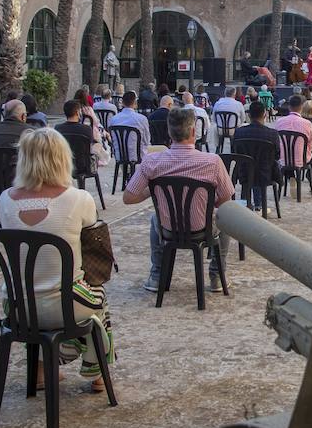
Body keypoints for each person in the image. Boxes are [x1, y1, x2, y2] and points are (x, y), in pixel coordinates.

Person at [0, 128, 110, 390]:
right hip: (66, 305)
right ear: (62, 158)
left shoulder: (4, 200)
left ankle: (40, 369)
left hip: (17, 307)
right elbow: (92, 243)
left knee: (39, 290)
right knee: (98, 299)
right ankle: (97, 372)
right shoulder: (78, 199)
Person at [123, 106, 235, 293]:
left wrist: (154, 190)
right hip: (203, 229)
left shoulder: (152, 161)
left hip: (168, 229)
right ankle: (216, 275)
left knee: (154, 219)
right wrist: (210, 202)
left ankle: (157, 275)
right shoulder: (212, 162)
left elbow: (129, 197)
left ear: (169, 132)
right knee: (225, 220)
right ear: (193, 131)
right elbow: (227, 199)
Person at [232, 101, 282, 210]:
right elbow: (277, 155)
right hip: (265, 173)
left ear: (249, 115)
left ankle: (245, 203)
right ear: (265, 114)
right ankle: (259, 205)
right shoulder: (272, 134)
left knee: (250, 166)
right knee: (260, 165)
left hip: (244, 172)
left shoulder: (239, 132)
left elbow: (234, 153)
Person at [56, 98, 107, 171]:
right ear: (77, 112)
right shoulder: (86, 129)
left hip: (63, 165)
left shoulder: (57, 128)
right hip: (84, 166)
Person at [274, 94, 312, 172]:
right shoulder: (307, 123)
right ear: (302, 107)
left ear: (289, 107)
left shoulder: (279, 122)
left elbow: (276, 141)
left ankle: (290, 176)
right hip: (302, 159)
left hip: (283, 159)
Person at [109, 90, 152, 155]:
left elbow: (112, 139)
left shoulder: (113, 119)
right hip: (138, 155)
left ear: (122, 103)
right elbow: (147, 140)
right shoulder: (142, 119)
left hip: (119, 155)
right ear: (135, 103)